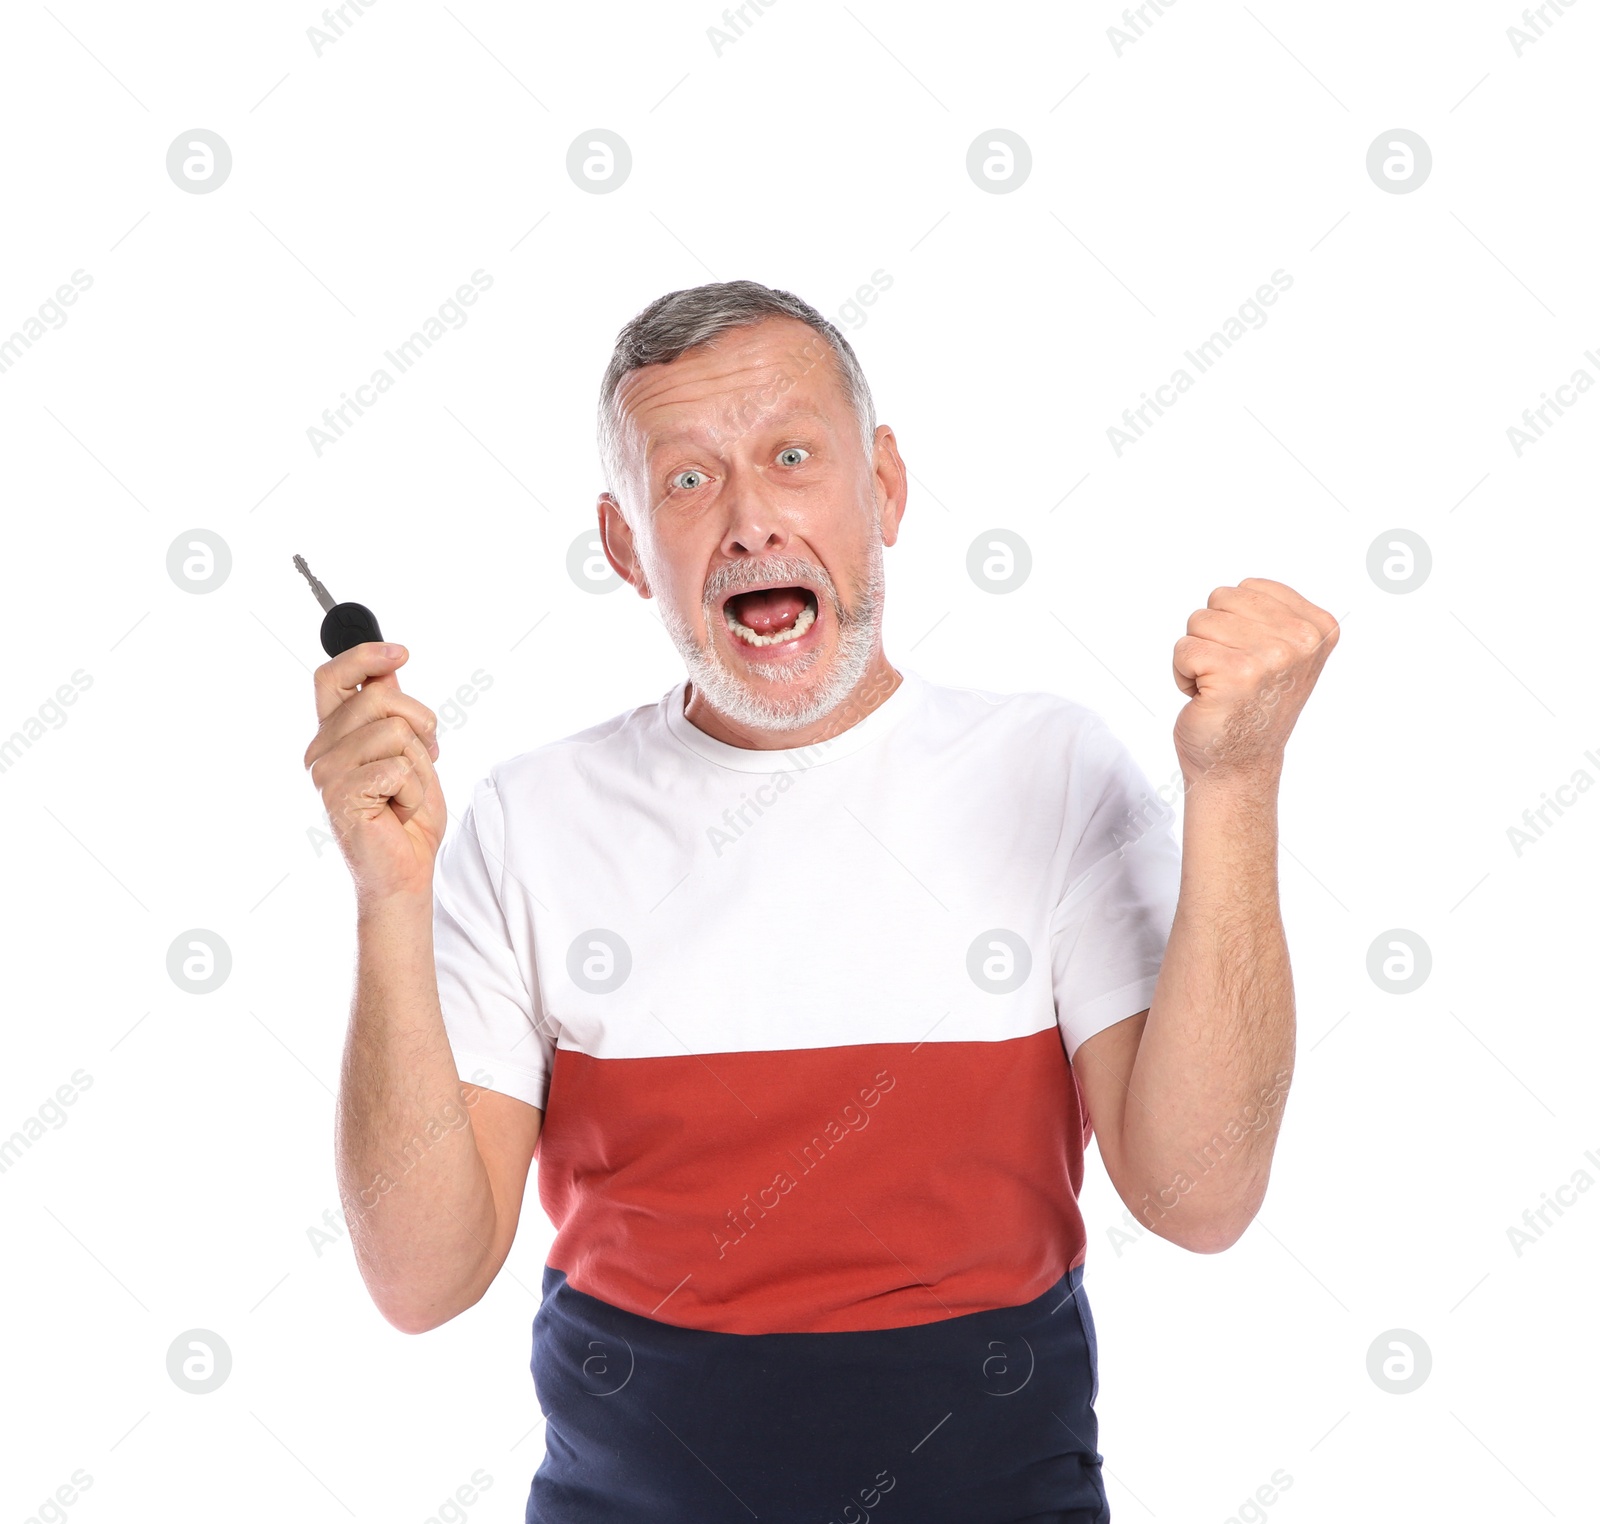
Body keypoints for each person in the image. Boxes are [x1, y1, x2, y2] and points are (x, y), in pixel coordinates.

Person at [303, 280, 1339, 1523]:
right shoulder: (529, 818)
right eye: (686, 481)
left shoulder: (1049, 773)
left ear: (884, 488)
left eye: (792, 458)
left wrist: (1238, 780)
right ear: (626, 544)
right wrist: (386, 898)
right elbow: (419, 1283)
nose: (749, 522)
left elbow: (1199, 1199)